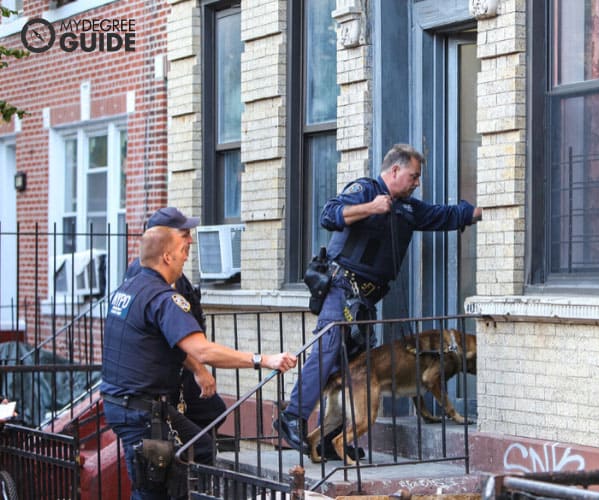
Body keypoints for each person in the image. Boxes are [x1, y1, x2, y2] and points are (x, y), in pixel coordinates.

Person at [274, 143, 482, 456]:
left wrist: (483, 210)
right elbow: (329, 215)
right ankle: (292, 417)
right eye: (413, 176)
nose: (417, 182)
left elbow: (444, 215)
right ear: (394, 170)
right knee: (328, 351)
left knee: (350, 370)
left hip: (366, 302)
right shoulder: (365, 190)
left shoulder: (408, 208)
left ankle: (330, 441)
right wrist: (371, 207)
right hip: (342, 290)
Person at [101, 214, 297, 500]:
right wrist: (263, 359)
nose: (186, 257)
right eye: (184, 251)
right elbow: (202, 350)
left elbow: (160, 346)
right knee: (152, 489)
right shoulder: (162, 298)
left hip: (126, 404)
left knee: (199, 449)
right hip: (140, 411)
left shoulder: (128, 289)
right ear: (167, 257)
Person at [125, 207, 227, 431]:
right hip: (171, 370)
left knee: (212, 413)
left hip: (179, 367)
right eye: (184, 234)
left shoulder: (163, 272)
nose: (190, 240)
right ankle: (190, 460)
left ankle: (190, 457)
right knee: (208, 415)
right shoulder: (148, 276)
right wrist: (198, 369)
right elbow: (167, 332)